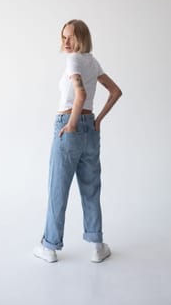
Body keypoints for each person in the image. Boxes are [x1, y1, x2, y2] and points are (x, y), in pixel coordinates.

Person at [33, 19, 122, 263]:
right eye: (63, 37)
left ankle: (49, 247)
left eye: (70, 37)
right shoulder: (93, 62)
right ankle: (97, 246)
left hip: (69, 126)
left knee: (57, 188)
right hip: (91, 129)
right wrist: (98, 119)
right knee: (91, 188)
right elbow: (115, 91)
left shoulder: (73, 60)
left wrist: (71, 124)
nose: (66, 42)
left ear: (81, 37)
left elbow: (80, 93)